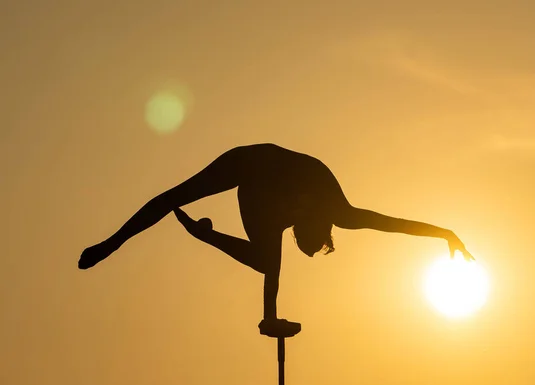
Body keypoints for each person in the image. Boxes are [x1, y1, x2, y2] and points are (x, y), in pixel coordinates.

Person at [78, 143, 474, 336]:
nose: (294, 236)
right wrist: (444, 233)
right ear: (317, 230)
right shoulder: (339, 212)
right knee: (175, 196)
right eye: (303, 239)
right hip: (252, 161)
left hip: (258, 189)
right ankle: (110, 244)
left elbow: (268, 267)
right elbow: (389, 223)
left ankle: (201, 236)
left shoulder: (283, 221)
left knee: (266, 258)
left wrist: (209, 238)